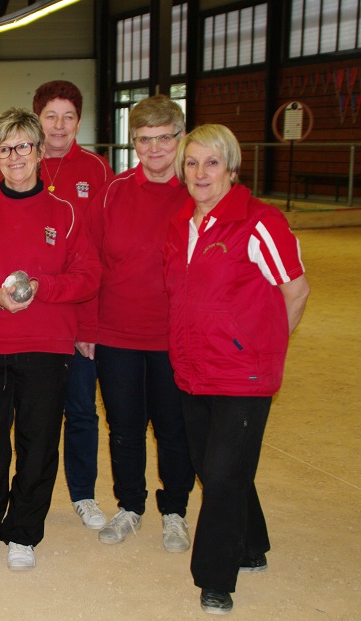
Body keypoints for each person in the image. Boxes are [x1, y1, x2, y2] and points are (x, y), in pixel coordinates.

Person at [0, 108, 100, 572]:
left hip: (46, 347)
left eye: (23, 146)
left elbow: (88, 275)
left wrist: (43, 288)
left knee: (39, 442)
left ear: (38, 151)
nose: (15, 156)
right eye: (5, 148)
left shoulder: (65, 212)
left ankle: (24, 532)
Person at [166, 124, 310, 615]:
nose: (200, 172)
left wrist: (260, 348)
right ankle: (251, 543)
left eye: (211, 162)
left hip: (241, 375)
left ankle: (215, 576)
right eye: (192, 162)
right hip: (191, 368)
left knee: (224, 475)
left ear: (231, 167)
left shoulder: (259, 222)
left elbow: (296, 290)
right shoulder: (181, 222)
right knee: (216, 467)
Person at [84, 94, 196, 552]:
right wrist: (85, 327)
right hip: (116, 335)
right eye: (144, 140)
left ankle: (175, 511)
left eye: (164, 139)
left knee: (174, 428)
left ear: (180, 138)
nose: (154, 150)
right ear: (133, 142)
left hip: (177, 337)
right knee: (125, 427)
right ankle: (130, 505)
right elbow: (90, 262)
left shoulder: (197, 192)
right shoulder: (113, 191)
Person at [22, 81, 114, 530]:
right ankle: (25, 492)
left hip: (78, 316)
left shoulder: (97, 171)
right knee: (32, 412)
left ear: (79, 121)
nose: (59, 126)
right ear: (37, 119)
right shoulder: (18, 164)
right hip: (32, 317)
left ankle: (84, 494)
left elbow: (99, 256)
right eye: (50, 116)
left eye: (68, 117)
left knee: (80, 409)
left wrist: (89, 327)